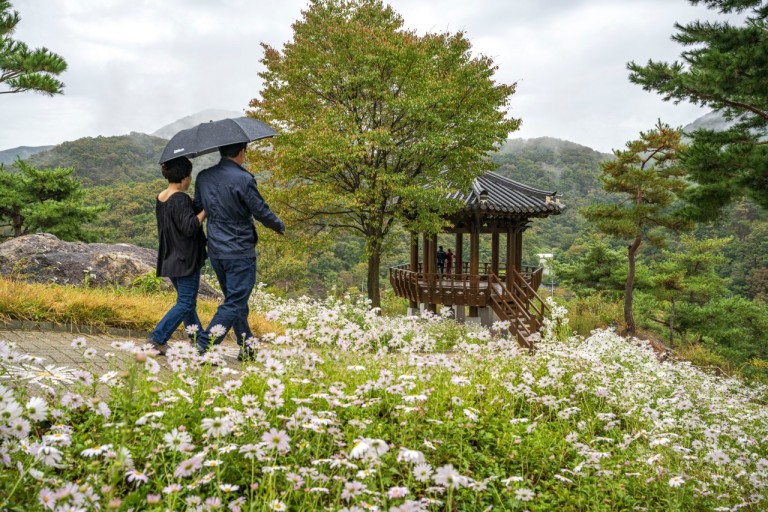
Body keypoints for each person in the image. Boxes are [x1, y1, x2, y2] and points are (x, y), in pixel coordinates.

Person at [193, 141, 285, 360]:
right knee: (235, 301)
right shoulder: (244, 179)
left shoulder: (203, 177)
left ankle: (247, 347)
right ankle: (205, 345)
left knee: (235, 300)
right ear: (242, 152)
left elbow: (198, 206)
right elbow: (260, 210)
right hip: (239, 249)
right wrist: (279, 225)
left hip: (216, 248)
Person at [148, 156, 207, 355]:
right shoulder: (180, 198)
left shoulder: (162, 196)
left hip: (170, 255)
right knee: (186, 302)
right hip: (185, 258)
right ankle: (157, 339)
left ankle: (199, 341)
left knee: (187, 302)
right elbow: (190, 227)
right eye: (189, 175)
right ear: (184, 177)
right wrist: (206, 210)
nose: (190, 179)